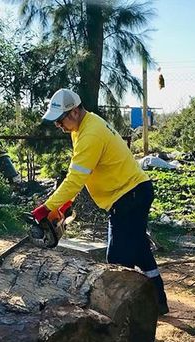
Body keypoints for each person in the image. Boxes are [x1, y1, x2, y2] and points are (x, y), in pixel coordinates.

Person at [31, 88, 169, 315]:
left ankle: (121, 315)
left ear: (74, 112)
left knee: (116, 260)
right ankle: (158, 303)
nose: (58, 126)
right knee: (140, 250)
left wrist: (47, 208)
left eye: (60, 120)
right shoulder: (83, 128)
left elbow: (75, 178)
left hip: (129, 196)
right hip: (132, 193)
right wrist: (65, 204)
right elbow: (82, 173)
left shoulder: (90, 134)